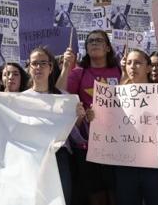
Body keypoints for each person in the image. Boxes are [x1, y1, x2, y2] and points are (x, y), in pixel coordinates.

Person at [56, 29, 121, 205]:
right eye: (90, 41)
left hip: (118, 143)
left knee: (116, 192)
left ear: (108, 48)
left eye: (99, 40)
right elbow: (59, 95)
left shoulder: (120, 71)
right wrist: (66, 68)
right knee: (95, 192)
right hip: (87, 145)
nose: (93, 43)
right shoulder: (78, 72)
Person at [107, 49, 158, 205]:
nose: (132, 66)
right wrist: (95, 115)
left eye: (138, 63)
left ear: (148, 68)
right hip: (125, 165)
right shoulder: (114, 96)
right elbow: (106, 126)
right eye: (130, 63)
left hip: (154, 165)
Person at [23, 46, 86, 205]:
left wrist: (79, 118)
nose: (38, 67)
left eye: (43, 63)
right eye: (34, 63)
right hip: (32, 156)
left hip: (59, 156)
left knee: (60, 198)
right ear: (29, 68)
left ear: (51, 68)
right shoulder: (20, 99)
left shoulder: (64, 98)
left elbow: (75, 135)